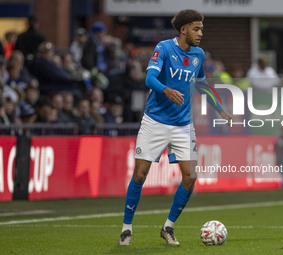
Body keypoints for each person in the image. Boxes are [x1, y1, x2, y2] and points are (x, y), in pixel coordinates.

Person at [118, 9, 232, 246]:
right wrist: (166, 89)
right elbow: (149, 79)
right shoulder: (164, 48)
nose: (201, 33)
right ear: (184, 30)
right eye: (196, 29)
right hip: (155, 121)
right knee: (140, 174)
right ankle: (126, 229)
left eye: (201, 29)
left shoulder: (199, 55)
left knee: (190, 177)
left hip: (183, 125)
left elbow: (202, 85)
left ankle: (168, 227)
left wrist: (220, 110)